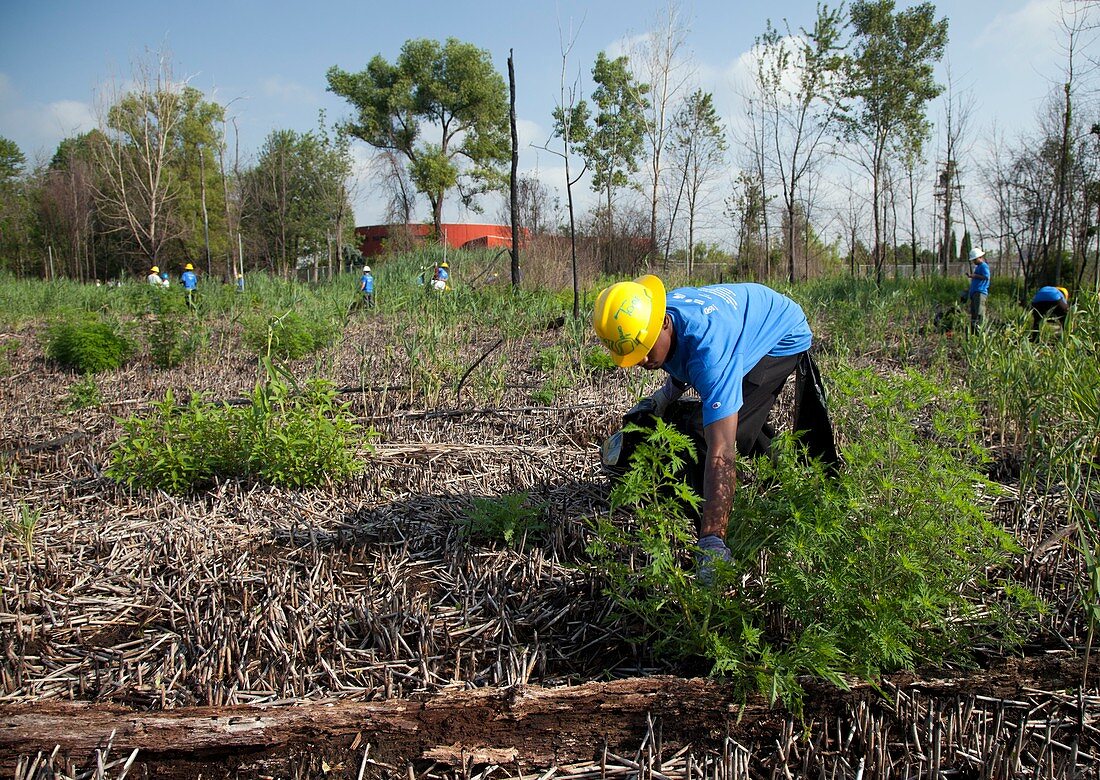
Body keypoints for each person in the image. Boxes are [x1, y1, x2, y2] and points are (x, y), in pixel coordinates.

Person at [593, 275, 838, 583]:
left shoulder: (711, 353)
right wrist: (662, 397)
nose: (641, 359)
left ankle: (714, 531)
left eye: (643, 348)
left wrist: (712, 539)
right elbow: (681, 357)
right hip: (745, 319)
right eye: (632, 352)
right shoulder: (658, 315)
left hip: (779, 336)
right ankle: (784, 475)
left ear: (664, 323)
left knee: (706, 437)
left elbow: (721, 452)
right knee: (734, 418)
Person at [965, 248, 990, 332]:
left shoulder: (984, 266)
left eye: (975, 259)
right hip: (975, 293)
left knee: (980, 314)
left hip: (980, 293)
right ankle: (974, 333)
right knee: (974, 315)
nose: (974, 262)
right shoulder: (978, 267)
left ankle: (980, 332)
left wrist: (974, 276)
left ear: (980, 257)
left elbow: (986, 277)